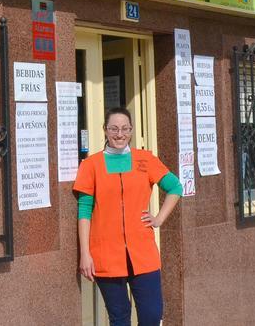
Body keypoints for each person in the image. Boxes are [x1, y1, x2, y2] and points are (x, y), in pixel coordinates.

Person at [73, 107, 183, 326]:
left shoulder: (145, 159)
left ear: (131, 131)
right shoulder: (90, 165)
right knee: (120, 318)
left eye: (125, 129)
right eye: (113, 128)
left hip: (143, 253)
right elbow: (84, 210)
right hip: (106, 254)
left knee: (152, 316)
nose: (119, 134)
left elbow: (175, 187)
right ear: (105, 130)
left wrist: (159, 219)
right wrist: (85, 254)